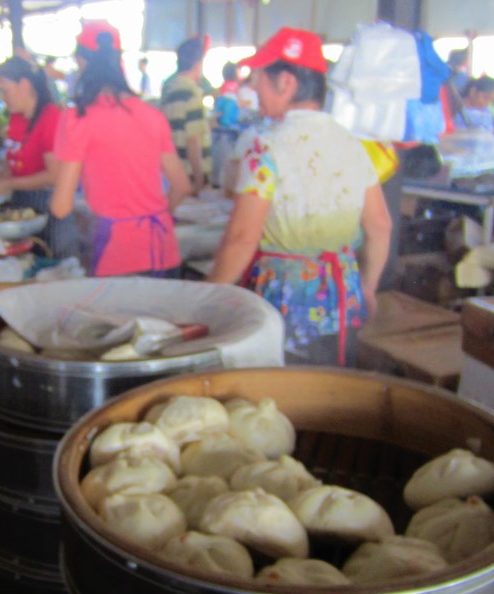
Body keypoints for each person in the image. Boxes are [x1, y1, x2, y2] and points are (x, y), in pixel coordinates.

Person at [207, 27, 392, 367]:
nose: (253, 88)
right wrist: (366, 288)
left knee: (280, 401)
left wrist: (207, 300)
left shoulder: (264, 147)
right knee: (332, 399)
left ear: (286, 83)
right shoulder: (354, 144)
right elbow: (380, 225)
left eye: (259, 78)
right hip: (341, 299)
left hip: (283, 305)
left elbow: (241, 238)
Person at [51, 20, 191, 278]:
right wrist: (161, 213)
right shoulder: (152, 114)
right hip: (164, 249)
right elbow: (181, 186)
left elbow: (61, 206)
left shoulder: (77, 119)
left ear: (82, 62)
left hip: (118, 257)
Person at [0, 56, 77, 259]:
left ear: (24, 85)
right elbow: (14, 162)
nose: (3, 97)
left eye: (5, 90)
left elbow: (54, 176)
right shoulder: (16, 118)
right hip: (23, 206)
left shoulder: (52, 118)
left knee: (52, 267)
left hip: (51, 208)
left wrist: (9, 184)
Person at [161, 37, 211, 193]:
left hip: (173, 175)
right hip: (190, 176)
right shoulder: (192, 93)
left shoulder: (169, 90)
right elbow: (193, 140)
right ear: (198, 65)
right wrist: (199, 179)